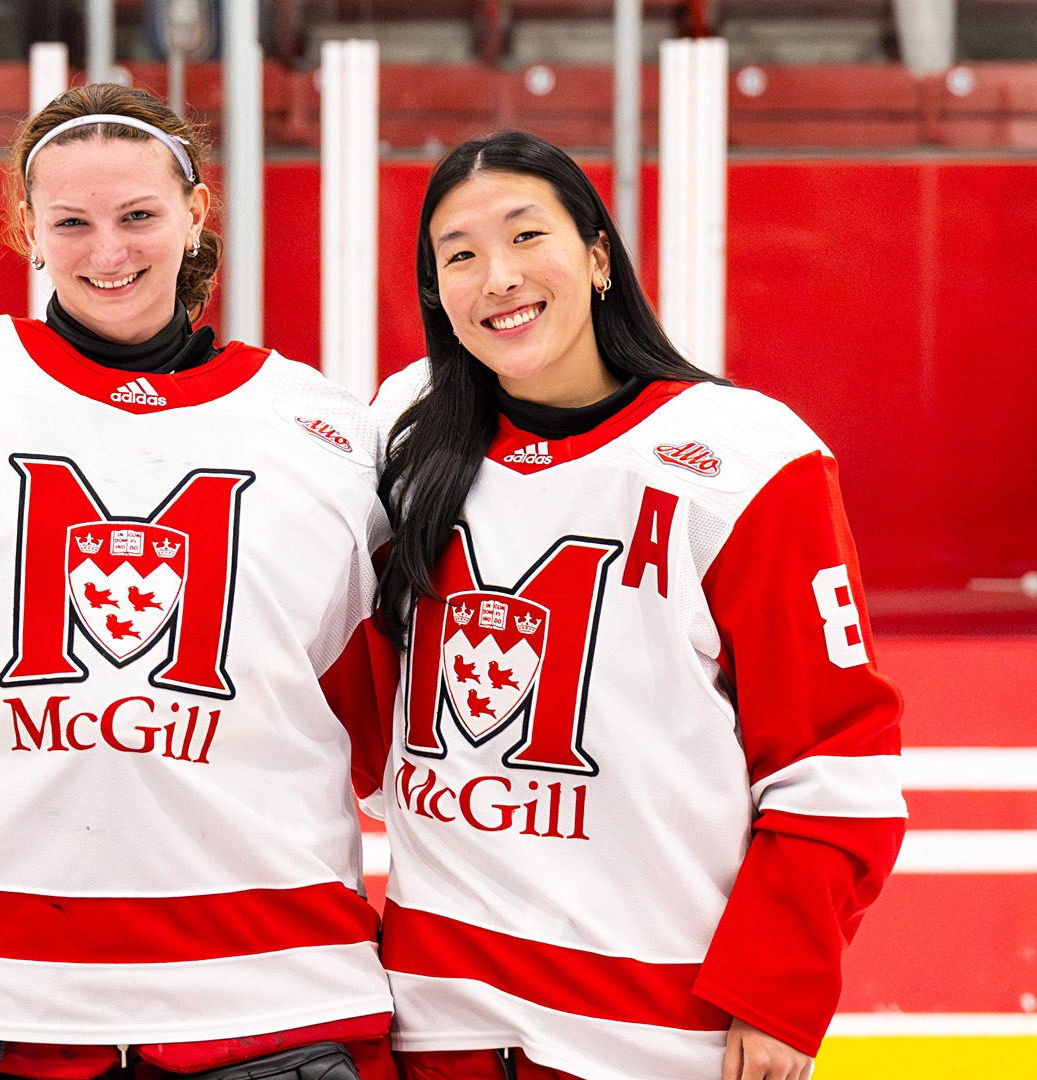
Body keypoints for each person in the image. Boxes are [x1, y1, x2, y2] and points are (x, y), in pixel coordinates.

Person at [0, 83, 397, 1080]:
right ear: (25, 230)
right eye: (72, 222)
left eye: (138, 216)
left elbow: (366, 701)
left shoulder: (325, 433)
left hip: (263, 983)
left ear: (195, 213)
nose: (109, 251)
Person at [369, 131, 905, 1080]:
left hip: (653, 1035)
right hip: (434, 1022)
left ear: (598, 256)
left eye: (527, 236)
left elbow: (835, 758)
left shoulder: (743, 457)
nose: (498, 276)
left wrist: (779, 991)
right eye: (459, 255)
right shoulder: (402, 440)